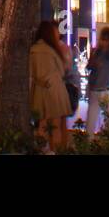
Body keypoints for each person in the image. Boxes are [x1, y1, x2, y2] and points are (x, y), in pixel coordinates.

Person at [30, 20, 72, 152]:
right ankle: (57, 150)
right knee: (56, 127)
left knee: (42, 125)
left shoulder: (33, 50)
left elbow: (30, 70)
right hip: (55, 91)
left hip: (39, 91)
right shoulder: (53, 51)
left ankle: (43, 150)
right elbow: (62, 70)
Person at [85, 27, 109, 135]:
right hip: (97, 90)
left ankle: (108, 143)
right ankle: (90, 143)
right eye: (102, 39)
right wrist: (92, 57)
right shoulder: (98, 52)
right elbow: (89, 67)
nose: (103, 42)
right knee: (92, 121)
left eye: (106, 40)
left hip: (105, 90)